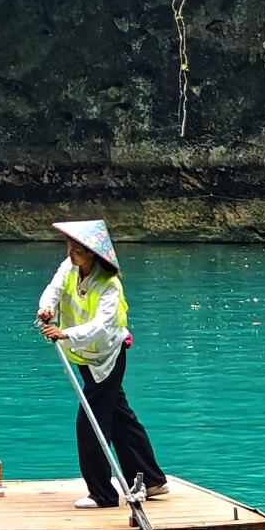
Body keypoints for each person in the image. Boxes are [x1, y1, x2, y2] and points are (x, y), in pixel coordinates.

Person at [38, 218, 168, 509]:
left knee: (91, 423)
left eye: (78, 252)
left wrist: (64, 333)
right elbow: (54, 290)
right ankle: (152, 479)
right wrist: (46, 307)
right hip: (83, 354)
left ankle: (103, 494)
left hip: (107, 357)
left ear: (94, 256)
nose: (72, 256)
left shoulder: (110, 286)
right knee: (121, 418)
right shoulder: (68, 268)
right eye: (69, 249)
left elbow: (100, 326)